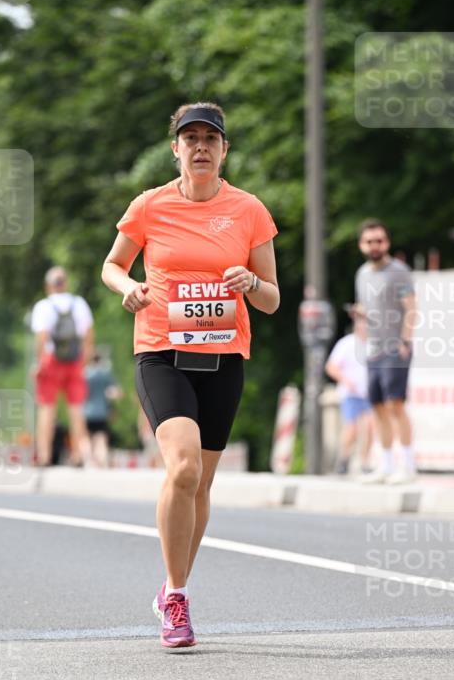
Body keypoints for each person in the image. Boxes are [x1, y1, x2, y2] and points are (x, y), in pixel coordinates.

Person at [102, 101, 280, 648]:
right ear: (175, 149)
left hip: (224, 357)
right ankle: (176, 598)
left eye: (211, 138)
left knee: (201, 482)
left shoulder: (249, 210)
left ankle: (173, 585)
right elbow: (112, 265)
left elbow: (272, 299)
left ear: (224, 150)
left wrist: (250, 284)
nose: (200, 146)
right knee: (181, 468)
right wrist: (127, 288)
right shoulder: (149, 206)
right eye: (190, 138)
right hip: (161, 350)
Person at [355, 218, 417, 484]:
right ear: (361, 245)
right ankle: (387, 465)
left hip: (394, 347)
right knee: (378, 407)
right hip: (373, 349)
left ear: (387, 242)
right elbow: (365, 308)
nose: (375, 245)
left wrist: (405, 341)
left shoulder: (399, 271)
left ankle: (408, 465)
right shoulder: (362, 274)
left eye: (379, 240)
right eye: (370, 241)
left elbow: (411, 307)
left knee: (396, 405)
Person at [30, 266, 94, 467]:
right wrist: (84, 359)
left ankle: (44, 456)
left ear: (48, 285)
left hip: (51, 360)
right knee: (76, 409)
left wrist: (39, 362)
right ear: (65, 283)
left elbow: (41, 337)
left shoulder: (44, 306)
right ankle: (78, 454)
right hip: (75, 361)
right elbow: (89, 334)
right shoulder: (79, 304)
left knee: (47, 409)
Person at [325, 306, 374, 475]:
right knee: (351, 428)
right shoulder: (346, 344)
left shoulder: (374, 345)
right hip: (351, 393)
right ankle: (344, 459)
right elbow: (331, 367)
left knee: (369, 427)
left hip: (368, 392)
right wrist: (346, 380)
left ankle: (365, 461)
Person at [81, 352, 122, 467]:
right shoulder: (105, 374)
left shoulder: (84, 374)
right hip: (102, 412)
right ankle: (101, 460)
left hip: (86, 411)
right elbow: (117, 392)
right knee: (101, 438)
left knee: (86, 437)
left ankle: (88, 461)